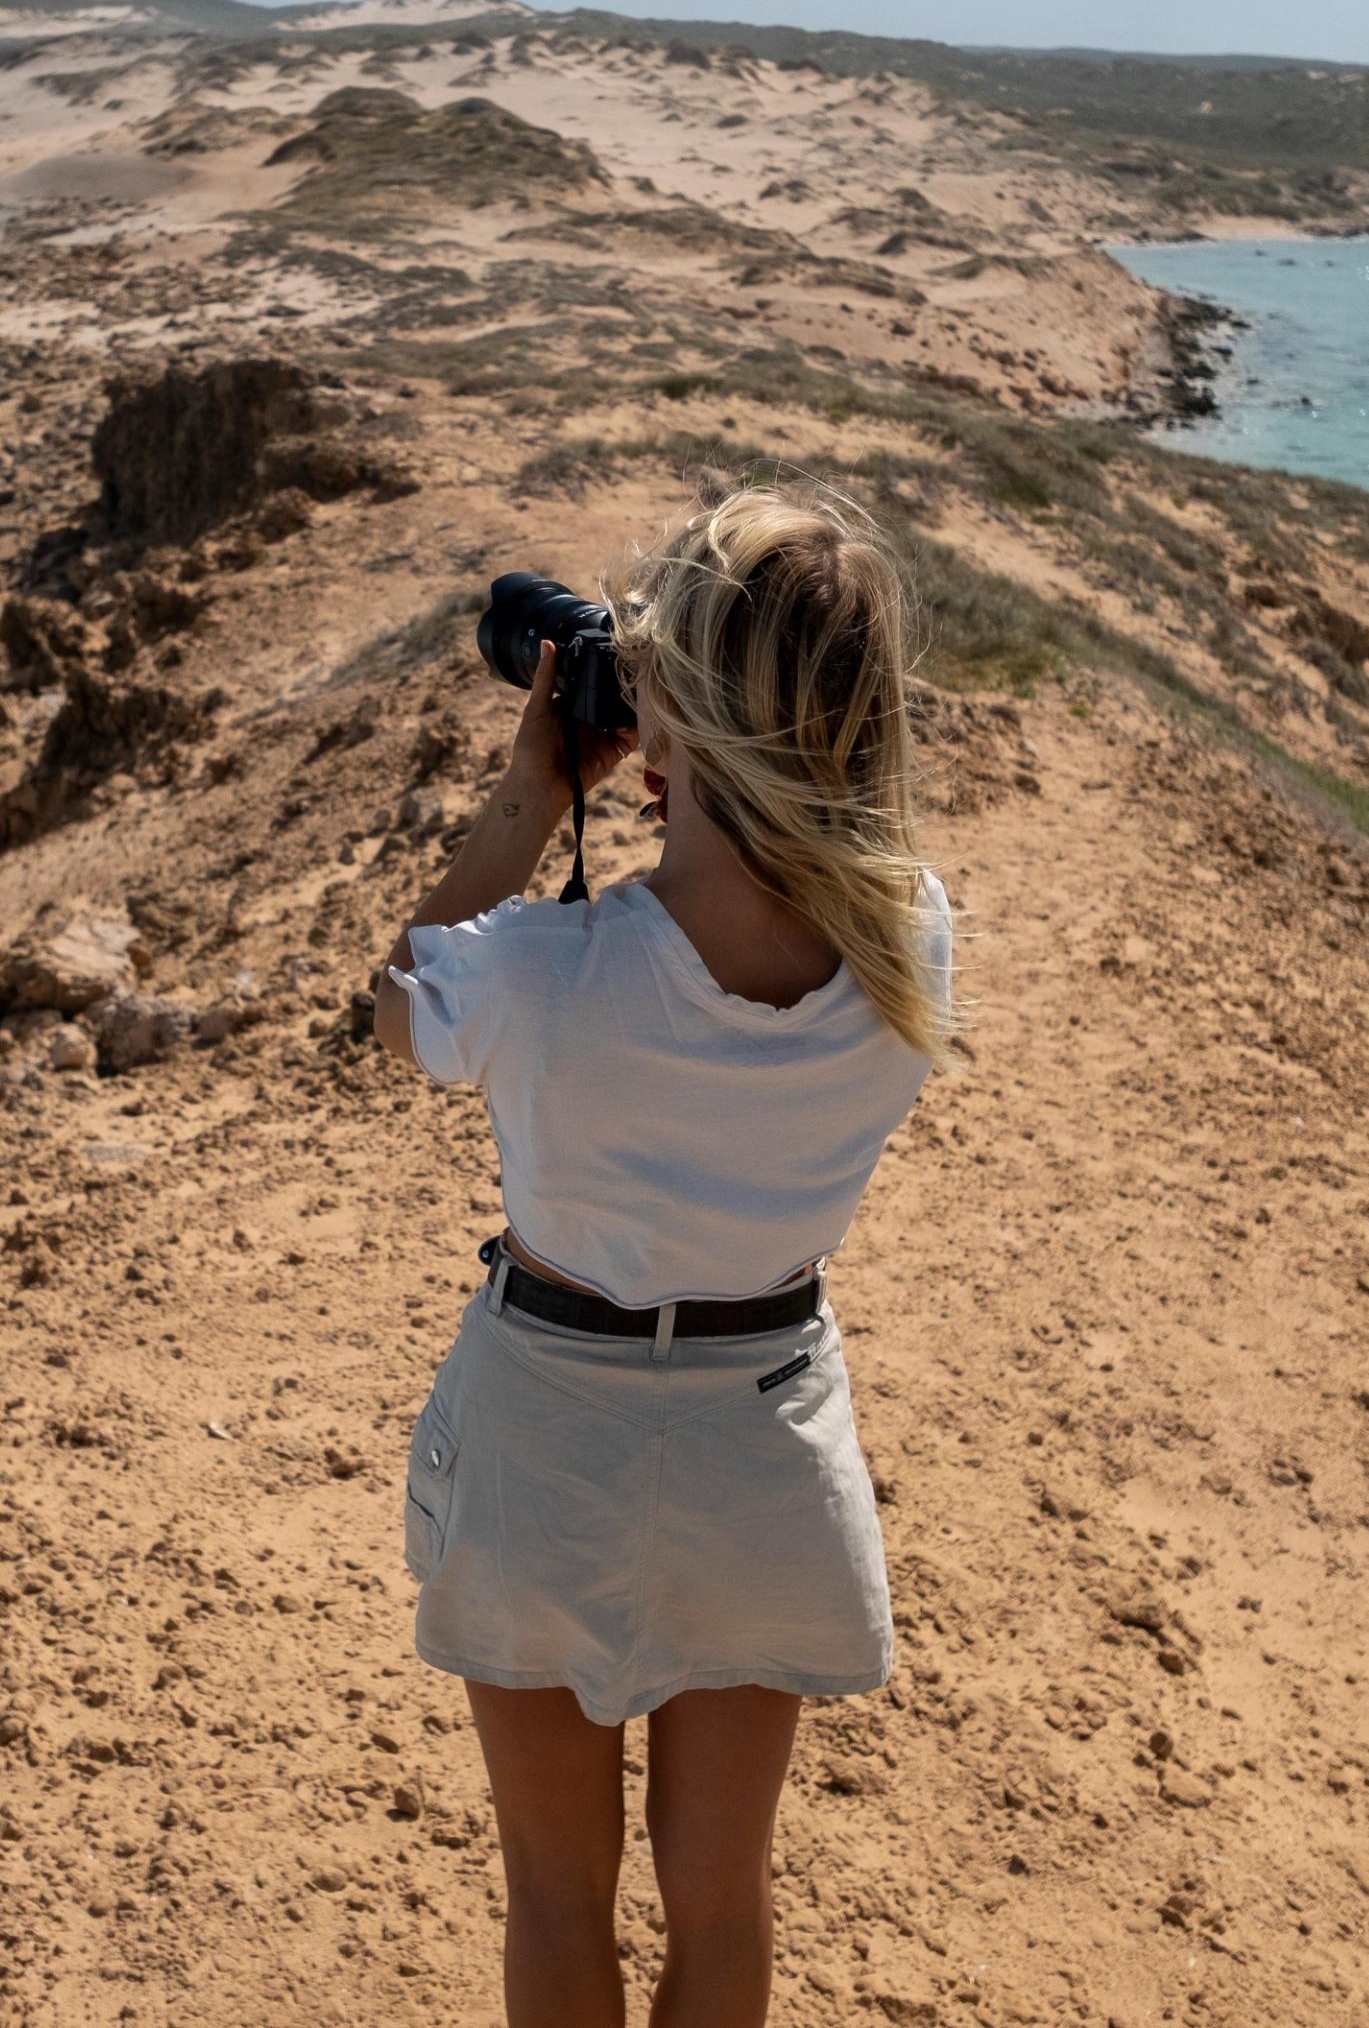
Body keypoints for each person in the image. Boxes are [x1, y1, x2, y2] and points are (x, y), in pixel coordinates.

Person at [373, 485, 954, 2028]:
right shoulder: (913, 946)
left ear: (667, 725)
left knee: (560, 1893)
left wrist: (528, 805)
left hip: (548, 1437)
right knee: (722, 1898)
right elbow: (820, 873)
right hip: (763, 1441)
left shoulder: (541, 975)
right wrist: (700, 753)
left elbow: (398, 1005)